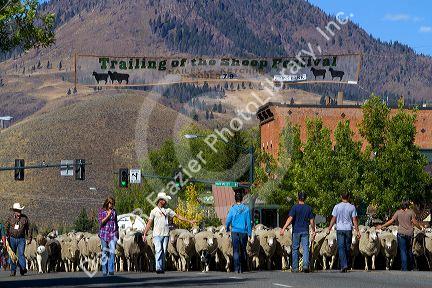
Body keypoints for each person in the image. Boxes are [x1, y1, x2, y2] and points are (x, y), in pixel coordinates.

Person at [143, 192, 196, 274]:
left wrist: (189, 221)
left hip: (166, 234)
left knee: (164, 251)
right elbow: (149, 222)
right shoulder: (154, 211)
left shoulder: (168, 210)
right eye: (164, 200)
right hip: (156, 234)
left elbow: (178, 216)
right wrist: (144, 233)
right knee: (158, 250)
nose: (166, 202)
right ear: (160, 201)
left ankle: (162, 267)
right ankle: (158, 268)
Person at [378, 201, 424, 271]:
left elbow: (391, 221)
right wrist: (420, 228)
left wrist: (382, 226)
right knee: (409, 251)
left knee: (403, 251)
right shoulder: (411, 212)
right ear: (407, 205)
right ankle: (411, 267)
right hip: (409, 234)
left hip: (401, 234)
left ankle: (404, 268)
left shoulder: (398, 212)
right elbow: (414, 222)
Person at [280, 192, 315, 273]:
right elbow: (312, 221)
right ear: (305, 198)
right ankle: (305, 265)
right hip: (305, 231)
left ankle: (295, 268)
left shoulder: (294, 207)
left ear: (298, 198)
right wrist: (313, 230)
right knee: (306, 248)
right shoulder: (308, 208)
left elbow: (290, 218)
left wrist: (283, 228)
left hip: (296, 231)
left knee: (295, 249)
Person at [327, 193, 360, 273]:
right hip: (348, 229)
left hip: (340, 229)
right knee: (347, 247)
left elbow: (333, 218)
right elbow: (354, 220)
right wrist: (357, 230)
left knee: (341, 247)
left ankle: (343, 265)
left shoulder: (337, 206)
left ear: (341, 197)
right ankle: (345, 264)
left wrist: (329, 228)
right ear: (348, 197)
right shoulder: (352, 207)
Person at [225, 189, 252, 274]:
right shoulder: (246, 209)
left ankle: (236, 268)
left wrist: (227, 228)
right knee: (243, 249)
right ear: (242, 199)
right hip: (244, 232)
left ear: (235, 199)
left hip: (235, 232)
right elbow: (248, 222)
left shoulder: (232, 209)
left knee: (236, 250)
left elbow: (228, 220)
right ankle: (243, 267)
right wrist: (250, 233)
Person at [5, 203, 32, 276]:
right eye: (17, 211)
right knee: (12, 255)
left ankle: (23, 269)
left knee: (21, 254)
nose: (19, 212)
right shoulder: (10, 218)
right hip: (12, 238)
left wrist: (29, 238)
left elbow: (29, 228)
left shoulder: (24, 218)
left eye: (20, 211)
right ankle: (13, 271)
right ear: (14, 211)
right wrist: (6, 237)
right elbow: (6, 227)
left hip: (21, 239)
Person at [98, 196, 119, 276]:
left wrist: (117, 232)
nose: (112, 205)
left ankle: (111, 270)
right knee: (104, 252)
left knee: (112, 252)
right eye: (110, 203)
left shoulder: (114, 212)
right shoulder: (102, 211)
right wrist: (108, 215)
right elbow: (101, 222)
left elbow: (116, 222)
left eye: (113, 204)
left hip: (113, 234)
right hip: (104, 234)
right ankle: (104, 270)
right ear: (107, 203)